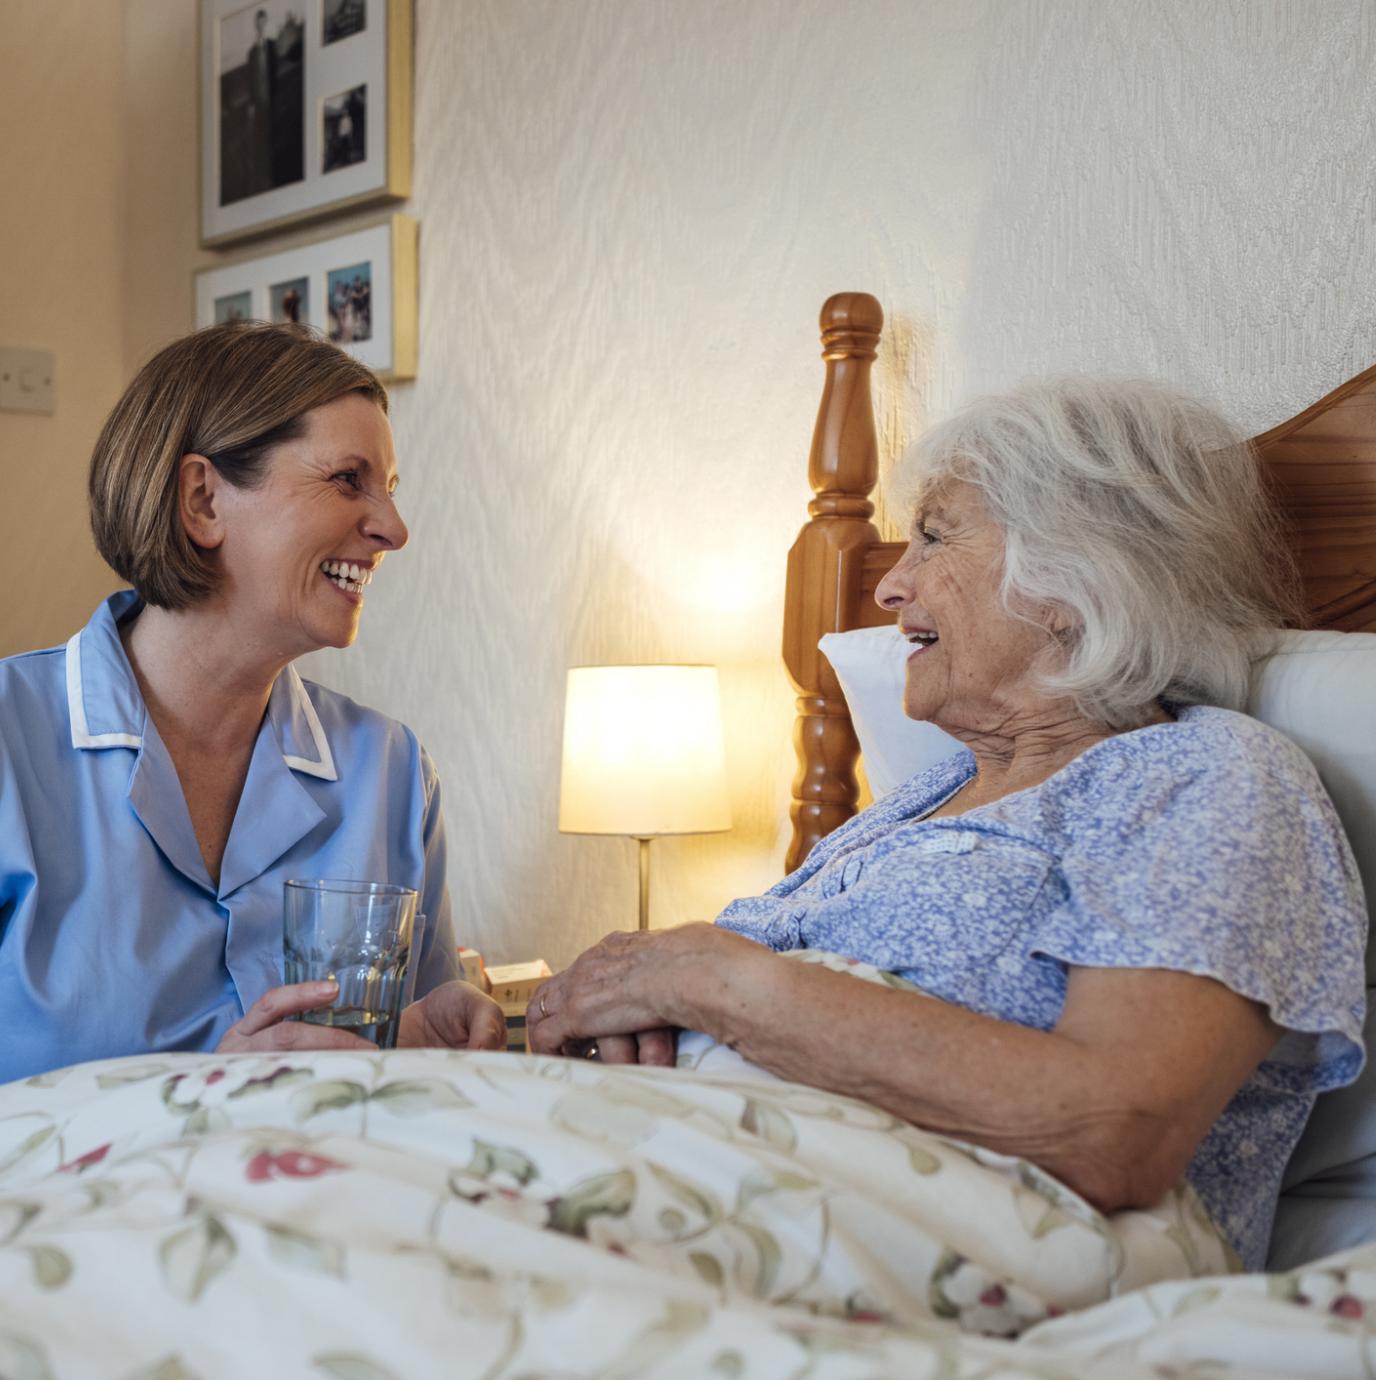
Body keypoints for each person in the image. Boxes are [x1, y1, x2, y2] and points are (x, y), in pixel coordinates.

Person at [527, 379, 1367, 1270]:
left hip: (873, 1231)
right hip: (660, 1162)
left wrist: (715, 982)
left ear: (1076, 577)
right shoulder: (919, 799)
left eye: (932, 534)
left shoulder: (1204, 777)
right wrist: (588, 1008)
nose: (890, 585)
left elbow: (1112, 1128)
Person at [0, 322, 501, 1149]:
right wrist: (194, 1110)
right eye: (349, 481)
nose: (393, 528)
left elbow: (405, 1124)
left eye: (391, 488)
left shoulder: (393, 778)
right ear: (203, 501)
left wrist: (434, 1051)